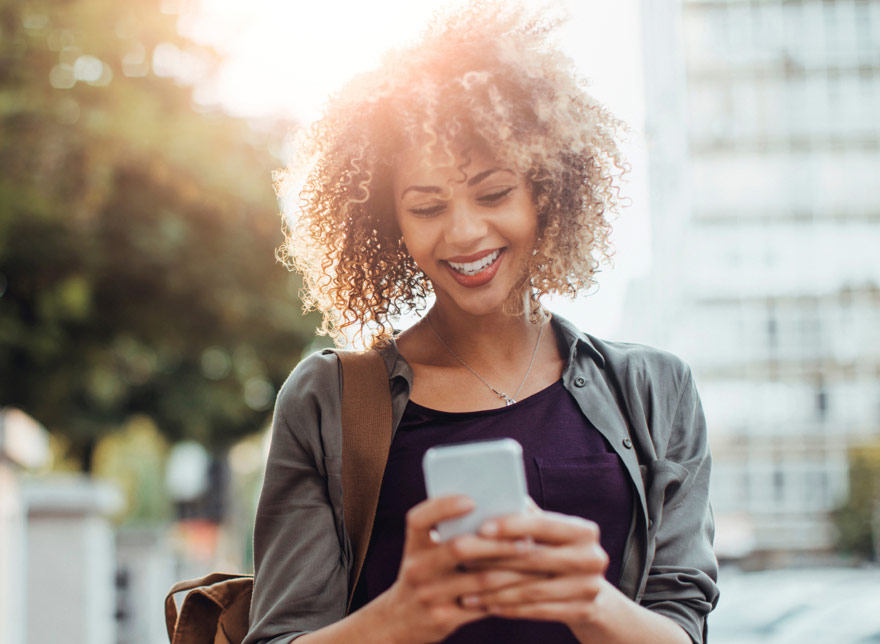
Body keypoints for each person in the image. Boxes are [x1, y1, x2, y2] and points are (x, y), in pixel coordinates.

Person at [243, 3, 719, 643]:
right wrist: (400, 617)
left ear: (547, 191)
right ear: (393, 224)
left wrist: (589, 604)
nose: (465, 233)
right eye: (427, 206)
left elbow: (683, 627)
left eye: (494, 194)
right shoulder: (327, 401)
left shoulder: (656, 391)